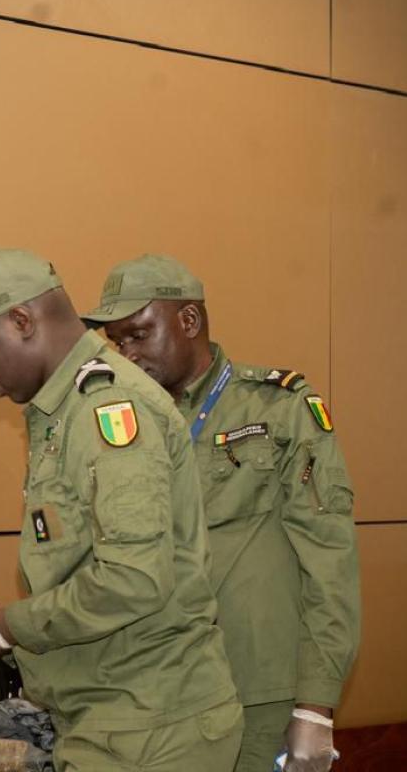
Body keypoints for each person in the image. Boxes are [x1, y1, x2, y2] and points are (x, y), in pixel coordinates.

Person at [0, 248, 241, 771]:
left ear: (21, 321)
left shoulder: (109, 409)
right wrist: (0, 650)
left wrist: (1, 626)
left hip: (148, 733)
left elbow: (132, 578)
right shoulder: (63, 411)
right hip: (109, 722)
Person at [83, 255, 360, 772]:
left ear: (189, 321)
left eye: (138, 335)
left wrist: (316, 704)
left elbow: (330, 562)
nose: (126, 354)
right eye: (116, 343)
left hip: (256, 691)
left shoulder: (278, 409)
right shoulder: (125, 424)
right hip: (160, 694)